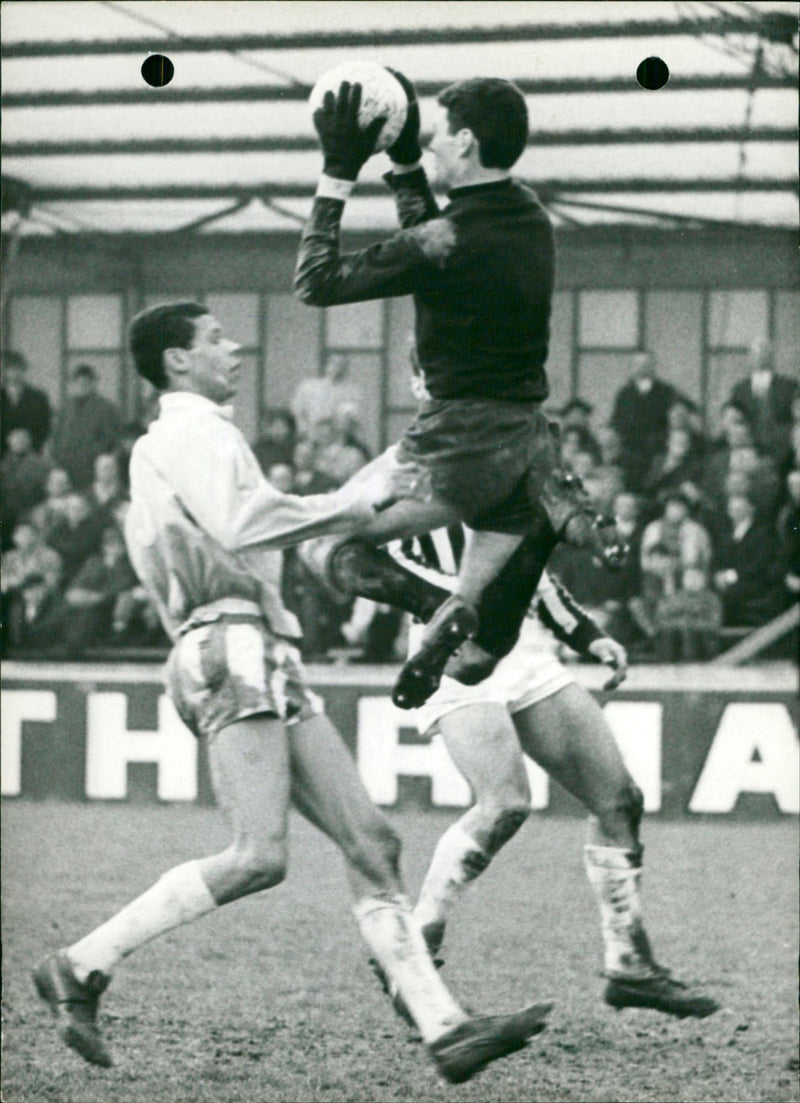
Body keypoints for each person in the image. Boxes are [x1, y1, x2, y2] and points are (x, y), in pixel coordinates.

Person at [33, 300, 550, 1084]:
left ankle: (446, 1028)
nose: (234, 347)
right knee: (258, 854)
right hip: (227, 639)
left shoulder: (187, 436)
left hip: (256, 645)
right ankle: (80, 963)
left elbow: (254, 522)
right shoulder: (191, 431)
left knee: (373, 841)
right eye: (214, 339)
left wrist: (369, 485)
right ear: (177, 360)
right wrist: (349, 504)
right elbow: (244, 524)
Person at [295, 74, 620, 707]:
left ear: (467, 141)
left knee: (321, 545)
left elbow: (317, 281)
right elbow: (441, 242)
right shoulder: (530, 217)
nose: (433, 143)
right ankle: (541, 529)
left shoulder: (448, 239)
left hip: (459, 443)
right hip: (527, 447)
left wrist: (339, 171)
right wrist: (403, 162)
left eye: (442, 134)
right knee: (471, 664)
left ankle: (433, 603)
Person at [379, 527, 719, 1022]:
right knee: (504, 805)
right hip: (449, 646)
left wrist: (588, 635)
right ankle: (411, 963)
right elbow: (383, 556)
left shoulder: (517, 471)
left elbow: (533, 569)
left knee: (618, 800)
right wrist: (446, 607)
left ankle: (629, 965)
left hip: (524, 649)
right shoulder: (430, 473)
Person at [610, 353, 685, 492]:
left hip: (658, 452)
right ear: (632, 367)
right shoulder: (624, 394)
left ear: (653, 366)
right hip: (630, 453)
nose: (642, 367)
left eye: (646, 364)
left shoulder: (666, 392)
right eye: (637, 364)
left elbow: (676, 420)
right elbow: (617, 422)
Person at [50, 364, 123, 489]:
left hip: (93, 469)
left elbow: (113, 440)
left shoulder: (106, 408)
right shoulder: (65, 408)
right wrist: (56, 461)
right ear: (73, 384)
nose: (82, 386)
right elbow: (56, 436)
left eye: (87, 382)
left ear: (94, 383)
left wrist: (102, 461)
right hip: (67, 468)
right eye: (78, 382)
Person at [728, 339, 798, 461]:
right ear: (748, 357)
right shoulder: (739, 389)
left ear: (770, 355)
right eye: (754, 353)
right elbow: (735, 420)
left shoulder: (789, 387)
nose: (759, 356)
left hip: (784, 453)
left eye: (763, 352)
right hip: (749, 451)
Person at [291, 353, 360, 440]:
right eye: (334, 364)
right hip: (310, 433)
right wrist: (303, 427)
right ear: (326, 365)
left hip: (335, 436)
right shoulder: (308, 386)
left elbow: (350, 415)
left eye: (341, 365)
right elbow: (297, 409)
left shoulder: (350, 392)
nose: (337, 368)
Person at [0, 349, 51, 455]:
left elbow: (45, 428)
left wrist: (27, 439)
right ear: (5, 371)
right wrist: (8, 439)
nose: (14, 373)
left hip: (30, 458)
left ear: (24, 371)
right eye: (10, 369)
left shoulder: (39, 398)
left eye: (18, 369)